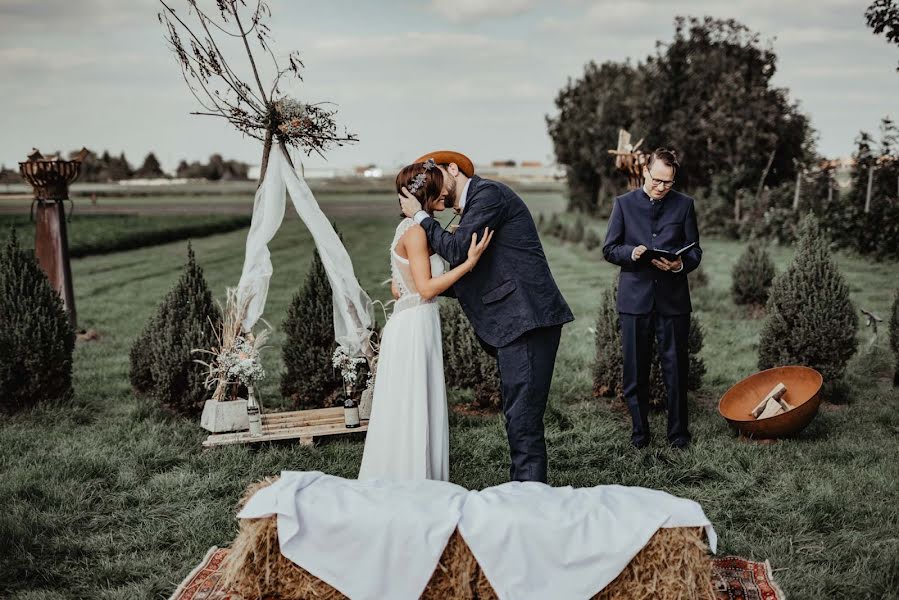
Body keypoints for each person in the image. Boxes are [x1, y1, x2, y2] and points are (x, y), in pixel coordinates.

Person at [399, 150, 573, 483]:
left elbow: (456, 251)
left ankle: (530, 496)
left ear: (453, 169)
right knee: (518, 416)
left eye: (439, 177)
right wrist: (421, 286)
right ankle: (525, 489)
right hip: (515, 322)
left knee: (522, 418)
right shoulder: (473, 206)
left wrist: (421, 217)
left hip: (526, 319)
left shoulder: (487, 194)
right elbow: (472, 271)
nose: (438, 189)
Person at [359, 158, 493, 481]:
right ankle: (416, 484)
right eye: (438, 189)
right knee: (415, 407)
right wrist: (469, 263)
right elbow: (426, 287)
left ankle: (406, 476)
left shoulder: (408, 229)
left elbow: (396, 288)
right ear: (427, 195)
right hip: (416, 326)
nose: (445, 193)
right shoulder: (417, 233)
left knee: (407, 406)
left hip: (408, 322)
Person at [602, 148, 702, 449]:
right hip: (635, 301)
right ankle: (639, 434)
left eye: (668, 183)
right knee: (635, 371)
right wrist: (632, 254)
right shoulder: (623, 204)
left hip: (673, 301)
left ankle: (678, 435)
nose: (661, 187)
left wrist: (680, 264)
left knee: (676, 370)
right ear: (645, 171)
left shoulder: (685, 205)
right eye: (657, 180)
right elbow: (609, 248)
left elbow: (695, 251)